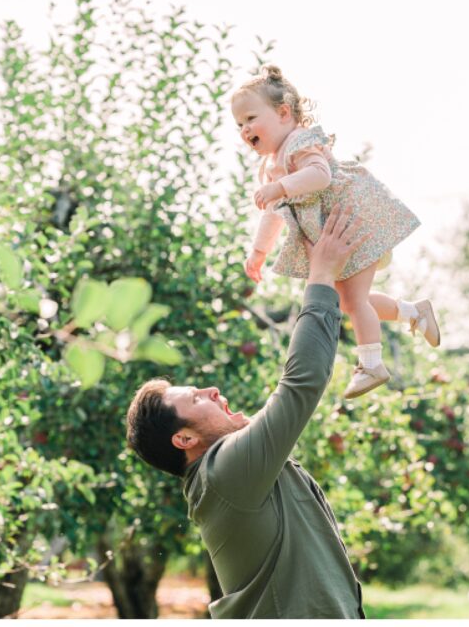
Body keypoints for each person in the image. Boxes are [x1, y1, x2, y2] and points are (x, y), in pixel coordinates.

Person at [126, 205, 370, 618]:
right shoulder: (225, 471)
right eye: (197, 398)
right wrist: (321, 275)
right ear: (185, 439)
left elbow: (288, 396)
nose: (212, 388)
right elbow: (301, 383)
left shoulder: (228, 471)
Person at [233, 65, 438, 397]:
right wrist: (258, 252)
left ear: (284, 113)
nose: (244, 129)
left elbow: (320, 176)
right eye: (239, 124)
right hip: (334, 233)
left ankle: (372, 364)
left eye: (250, 119)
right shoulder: (271, 165)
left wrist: (281, 187)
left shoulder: (299, 140)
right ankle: (414, 312)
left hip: (352, 219)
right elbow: (274, 213)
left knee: (355, 300)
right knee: (346, 301)